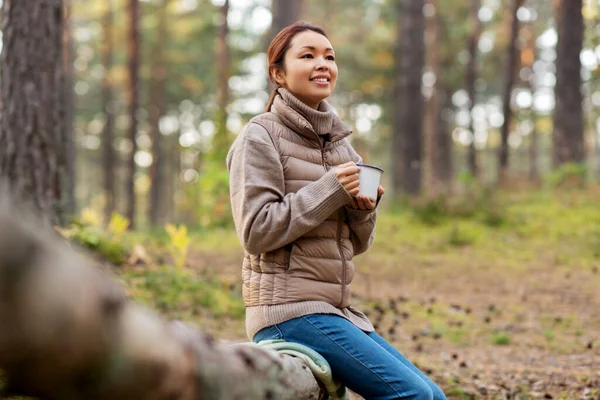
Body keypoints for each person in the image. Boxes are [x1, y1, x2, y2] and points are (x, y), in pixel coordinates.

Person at [226, 21, 446, 400]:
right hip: (286, 313)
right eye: (307, 55)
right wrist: (330, 189)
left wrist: (363, 210)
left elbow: (356, 245)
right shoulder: (259, 136)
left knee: (432, 395)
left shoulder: (342, 147)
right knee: (414, 397)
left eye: (329, 56)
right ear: (278, 73)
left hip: (334, 311)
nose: (322, 63)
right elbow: (256, 231)